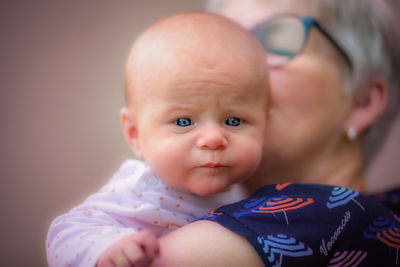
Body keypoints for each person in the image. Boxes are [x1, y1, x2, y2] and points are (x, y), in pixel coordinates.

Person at [150, 0, 400, 266]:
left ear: (362, 100)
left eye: (275, 41)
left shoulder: (342, 217)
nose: (232, 69)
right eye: (224, 46)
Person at [46, 12, 270, 267]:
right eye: (183, 121)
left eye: (233, 121)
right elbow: (64, 232)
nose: (213, 138)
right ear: (135, 134)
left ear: (265, 124)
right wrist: (108, 247)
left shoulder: (246, 192)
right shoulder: (140, 190)